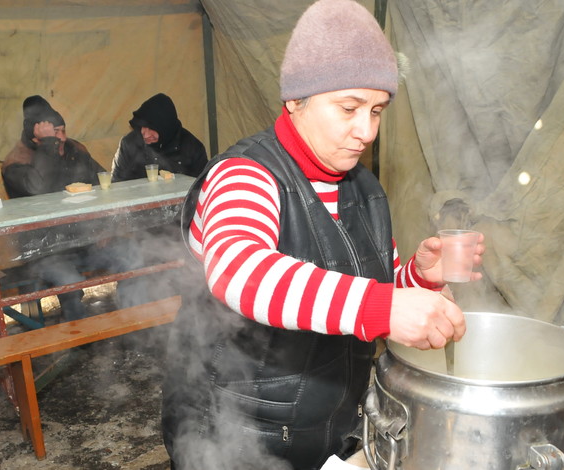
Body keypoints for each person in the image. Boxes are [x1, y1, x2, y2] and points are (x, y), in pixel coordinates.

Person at [160, 1, 485, 469]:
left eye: (377, 110)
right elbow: (241, 272)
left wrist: (416, 278)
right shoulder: (245, 175)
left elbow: (370, 286)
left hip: (326, 427)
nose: (366, 131)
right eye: (349, 108)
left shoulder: (365, 188)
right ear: (296, 100)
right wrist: (383, 306)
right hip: (235, 433)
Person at [1, 95, 142, 319]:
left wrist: (105, 227)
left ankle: (132, 320)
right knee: (69, 282)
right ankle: (78, 340)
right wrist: (49, 145)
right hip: (46, 251)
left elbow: (104, 187)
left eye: (63, 130)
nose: (63, 139)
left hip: (86, 241)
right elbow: (38, 187)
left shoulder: (75, 150)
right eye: (55, 133)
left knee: (131, 255)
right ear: (37, 137)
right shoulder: (16, 162)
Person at [111, 93, 208, 182]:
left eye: (151, 128)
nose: (146, 135)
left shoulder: (192, 148)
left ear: (165, 128)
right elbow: (117, 184)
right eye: (142, 127)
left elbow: (203, 188)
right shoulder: (129, 144)